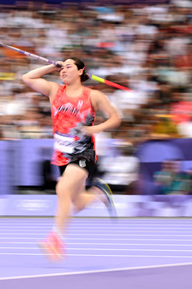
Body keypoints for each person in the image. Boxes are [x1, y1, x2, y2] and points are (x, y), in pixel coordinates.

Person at [22, 57, 121, 260]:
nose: (63, 70)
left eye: (69, 67)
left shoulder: (93, 95)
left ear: (80, 71)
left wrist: (94, 128)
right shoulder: (53, 90)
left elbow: (116, 118)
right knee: (76, 202)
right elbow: (27, 77)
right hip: (61, 154)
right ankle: (99, 194)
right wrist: (52, 65)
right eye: (62, 67)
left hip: (83, 151)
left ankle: (56, 239)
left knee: (62, 189)